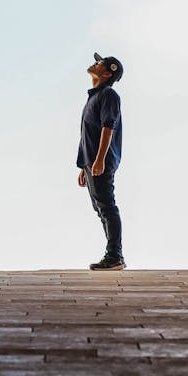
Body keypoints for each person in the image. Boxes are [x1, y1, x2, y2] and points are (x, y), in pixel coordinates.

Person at [77, 52, 125, 270]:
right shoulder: (94, 97)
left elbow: (108, 127)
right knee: (100, 208)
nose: (94, 63)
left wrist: (100, 160)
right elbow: (88, 133)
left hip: (100, 161)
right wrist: (84, 165)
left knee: (107, 207)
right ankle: (113, 255)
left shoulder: (108, 96)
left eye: (99, 63)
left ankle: (115, 256)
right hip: (92, 161)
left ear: (107, 73)